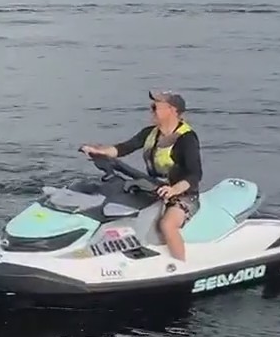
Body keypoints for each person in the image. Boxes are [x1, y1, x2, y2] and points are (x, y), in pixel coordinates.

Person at [79, 90, 201, 262]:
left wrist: (174, 189)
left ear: (172, 110)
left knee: (167, 225)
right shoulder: (150, 133)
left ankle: (181, 265)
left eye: (155, 108)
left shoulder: (187, 139)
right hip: (154, 189)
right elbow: (123, 148)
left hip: (184, 195)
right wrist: (98, 151)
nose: (151, 111)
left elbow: (195, 175)